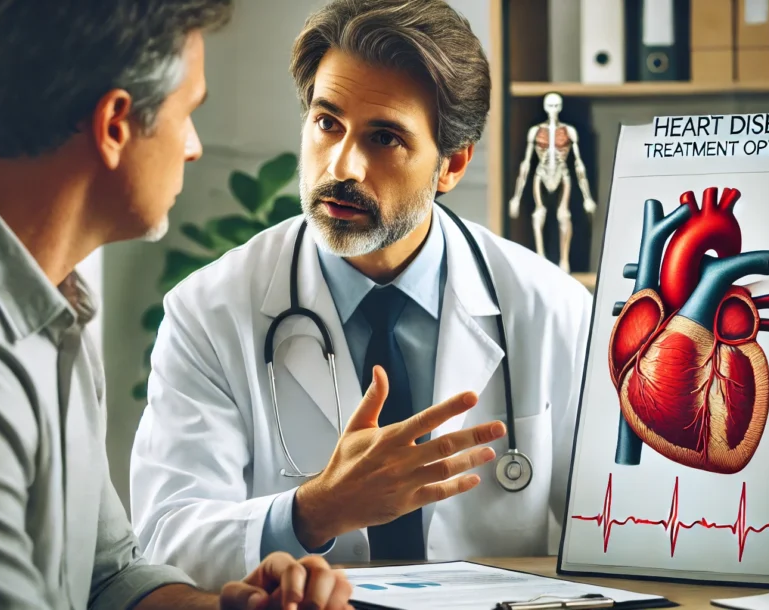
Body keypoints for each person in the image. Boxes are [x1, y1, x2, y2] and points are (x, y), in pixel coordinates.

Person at [0, 1, 353, 609]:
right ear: (116, 124)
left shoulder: (50, 307)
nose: (195, 147)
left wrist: (237, 609)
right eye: (187, 114)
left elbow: (109, 578)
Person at [129, 0, 594, 591]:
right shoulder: (211, 311)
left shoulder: (551, 308)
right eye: (328, 123)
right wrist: (313, 510)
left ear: (451, 164)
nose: (342, 165)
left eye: (384, 138)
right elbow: (168, 540)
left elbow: (616, 533)